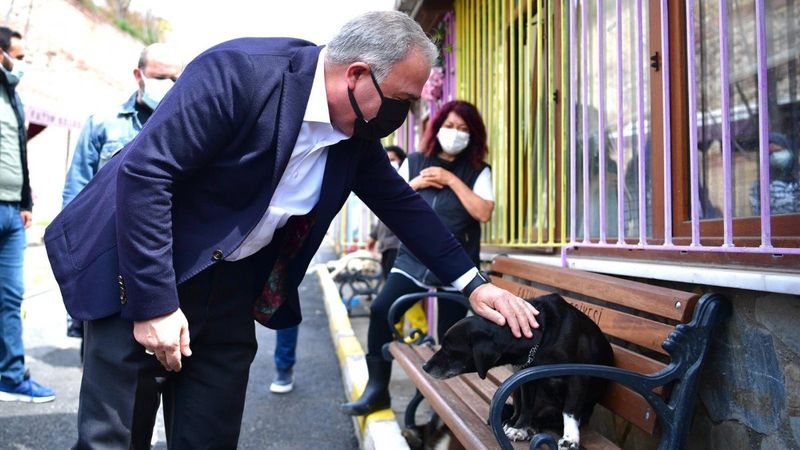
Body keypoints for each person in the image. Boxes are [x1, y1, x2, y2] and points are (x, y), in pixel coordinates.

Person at [44, 12, 538, 448]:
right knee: (114, 439)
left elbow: (403, 206)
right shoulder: (240, 74)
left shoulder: (354, 135)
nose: (404, 116)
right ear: (357, 75)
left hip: (229, 289)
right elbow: (146, 175)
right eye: (402, 100)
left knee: (209, 437)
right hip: (142, 268)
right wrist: (154, 304)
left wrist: (474, 285)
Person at [341, 100, 496, 416]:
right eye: (449, 126)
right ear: (436, 128)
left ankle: (447, 406)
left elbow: (483, 212)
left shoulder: (479, 170)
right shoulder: (413, 161)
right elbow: (389, 201)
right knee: (382, 310)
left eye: (463, 129)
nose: (455, 133)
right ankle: (377, 389)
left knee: (451, 334)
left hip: (458, 265)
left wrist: (451, 180)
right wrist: (417, 183)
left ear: (474, 135)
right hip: (412, 260)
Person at [61, 43, 183, 349]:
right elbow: (77, 191)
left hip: (157, 255)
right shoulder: (104, 122)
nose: (168, 85)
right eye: (160, 77)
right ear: (139, 75)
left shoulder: (185, 127)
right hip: (105, 251)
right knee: (103, 349)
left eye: (174, 78)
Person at [0, 27, 55, 403]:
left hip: (11, 214)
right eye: (18, 56)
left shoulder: (13, 97)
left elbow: (19, 152)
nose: (21, 63)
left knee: (10, 298)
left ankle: (10, 376)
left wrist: (25, 203)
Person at [367, 145, 406, 277]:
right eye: (386, 160)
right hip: (385, 245)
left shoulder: (406, 185)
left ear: (402, 161)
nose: (390, 163)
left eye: (393, 159)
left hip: (398, 245)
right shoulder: (387, 185)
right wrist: (373, 236)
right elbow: (383, 216)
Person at [750, 132, 800, 215]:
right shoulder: (759, 186)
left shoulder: (797, 180)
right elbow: (758, 214)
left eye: (778, 151)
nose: (774, 156)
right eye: (770, 153)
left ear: (789, 151)